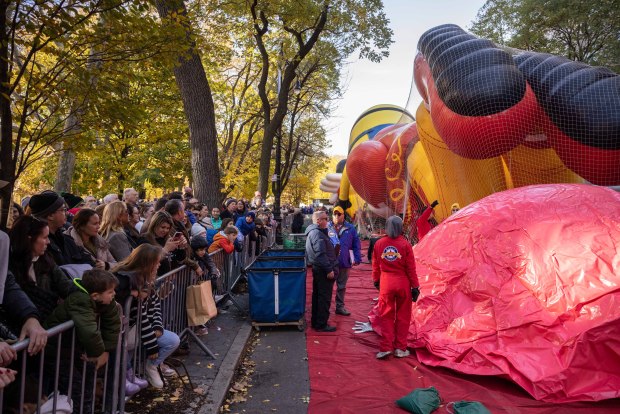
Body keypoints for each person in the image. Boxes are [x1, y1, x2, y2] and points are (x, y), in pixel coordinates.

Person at [44, 269, 122, 405]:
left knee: (87, 383)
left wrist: (106, 351)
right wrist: (97, 353)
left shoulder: (105, 300)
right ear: (95, 296)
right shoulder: (80, 300)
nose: (114, 294)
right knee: (76, 390)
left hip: (74, 349)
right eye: (110, 292)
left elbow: (113, 323)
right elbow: (89, 332)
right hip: (55, 350)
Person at [112, 245, 180, 389]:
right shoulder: (129, 281)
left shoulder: (145, 281)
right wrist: (152, 346)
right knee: (126, 354)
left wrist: (157, 325)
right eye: (156, 262)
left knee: (172, 340)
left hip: (139, 329)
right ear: (147, 263)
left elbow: (155, 307)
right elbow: (140, 316)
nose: (159, 265)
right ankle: (122, 384)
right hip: (127, 329)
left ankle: (147, 368)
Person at [372, 215, 420, 359]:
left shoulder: (379, 243)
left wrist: (376, 280)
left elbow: (375, 265)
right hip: (402, 283)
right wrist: (415, 286)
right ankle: (400, 348)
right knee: (403, 317)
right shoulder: (405, 245)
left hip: (386, 283)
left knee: (386, 315)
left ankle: (386, 347)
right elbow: (411, 269)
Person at [28, 190, 92, 266]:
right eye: (63, 210)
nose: (67, 213)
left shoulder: (67, 239)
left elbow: (89, 261)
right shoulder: (40, 245)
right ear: (50, 215)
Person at [305, 211, 339, 332]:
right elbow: (320, 254)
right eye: (325, 218)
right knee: (323, 298)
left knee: (319, 296)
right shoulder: (317, 234)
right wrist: (329, 269)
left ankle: (317, 322)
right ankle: (321, 324)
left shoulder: (315, 233)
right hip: (323, 270)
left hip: (320, 268)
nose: (328, 220)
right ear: (318, 220)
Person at [327, 206, 362, 316]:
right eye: (335, 214)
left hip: (344, 262)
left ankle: (339, 307)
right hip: (329, 264)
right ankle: (325, 308)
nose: (336, 216)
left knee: (341, 286)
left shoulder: (350, 228)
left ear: (343, 215)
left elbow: (356, 245)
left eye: (339, 214)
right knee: (327, 287)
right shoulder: (327, 227)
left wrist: (357, 258)